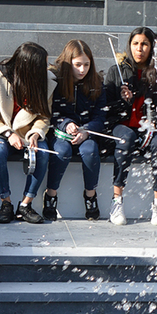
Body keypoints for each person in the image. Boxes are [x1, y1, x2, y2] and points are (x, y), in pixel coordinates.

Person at [105, 27, 157, 227]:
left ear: (151, 47)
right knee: (125, 140)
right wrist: (123, 100)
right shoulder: (117, 71)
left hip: (149, 129)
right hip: (123, 126)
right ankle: (117, 201)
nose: (139, 49)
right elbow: (107, 109)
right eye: (135, 44)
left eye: (144, 44)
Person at [0, 42, 53, 224]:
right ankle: (5, 203)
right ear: (30, 68)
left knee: (43, 153)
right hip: (1, 132)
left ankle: (25, 205)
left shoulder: (47, 81)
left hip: (29, 134)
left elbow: (44, 116)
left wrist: (36, 134)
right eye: (41, 66)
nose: (46, 69)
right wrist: (8, 133)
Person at [45, 39, 108, 221]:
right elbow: (52, 113)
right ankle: (50, 194)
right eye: (78, 65)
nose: (82, 70)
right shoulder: (56, 81)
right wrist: (66, 124)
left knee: (90, 151)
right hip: (61, 131)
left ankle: (90, 196)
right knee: (61, 151)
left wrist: (86, 130)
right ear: (69, 63)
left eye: (86, 65)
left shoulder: (96, 83)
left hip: (87, 132)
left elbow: (100, 116)